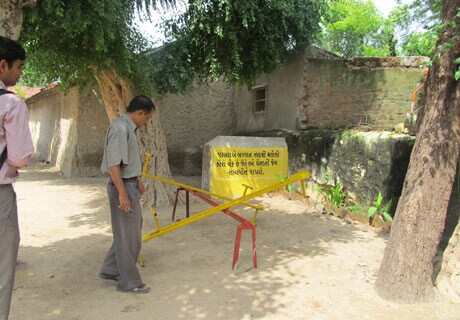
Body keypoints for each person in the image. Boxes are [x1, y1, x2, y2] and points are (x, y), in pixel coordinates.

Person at [99, 95, 155, 294]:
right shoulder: (121, 128)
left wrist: (136, 180)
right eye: (147, 118)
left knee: (127, 232)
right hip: (122, 187)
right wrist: (123, 194)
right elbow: (114, 164)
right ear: (139, 112)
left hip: (128, 183)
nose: (146, 122)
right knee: (129, 236)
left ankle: (110, 269)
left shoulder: (126, 128)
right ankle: (129, 282)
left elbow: (126, 162)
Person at [0, 36, 34, 319]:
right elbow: (19, 157)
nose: (21, 73)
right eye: (19, 66)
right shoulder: (11, 104)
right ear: (3, 66)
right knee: (2, 271)